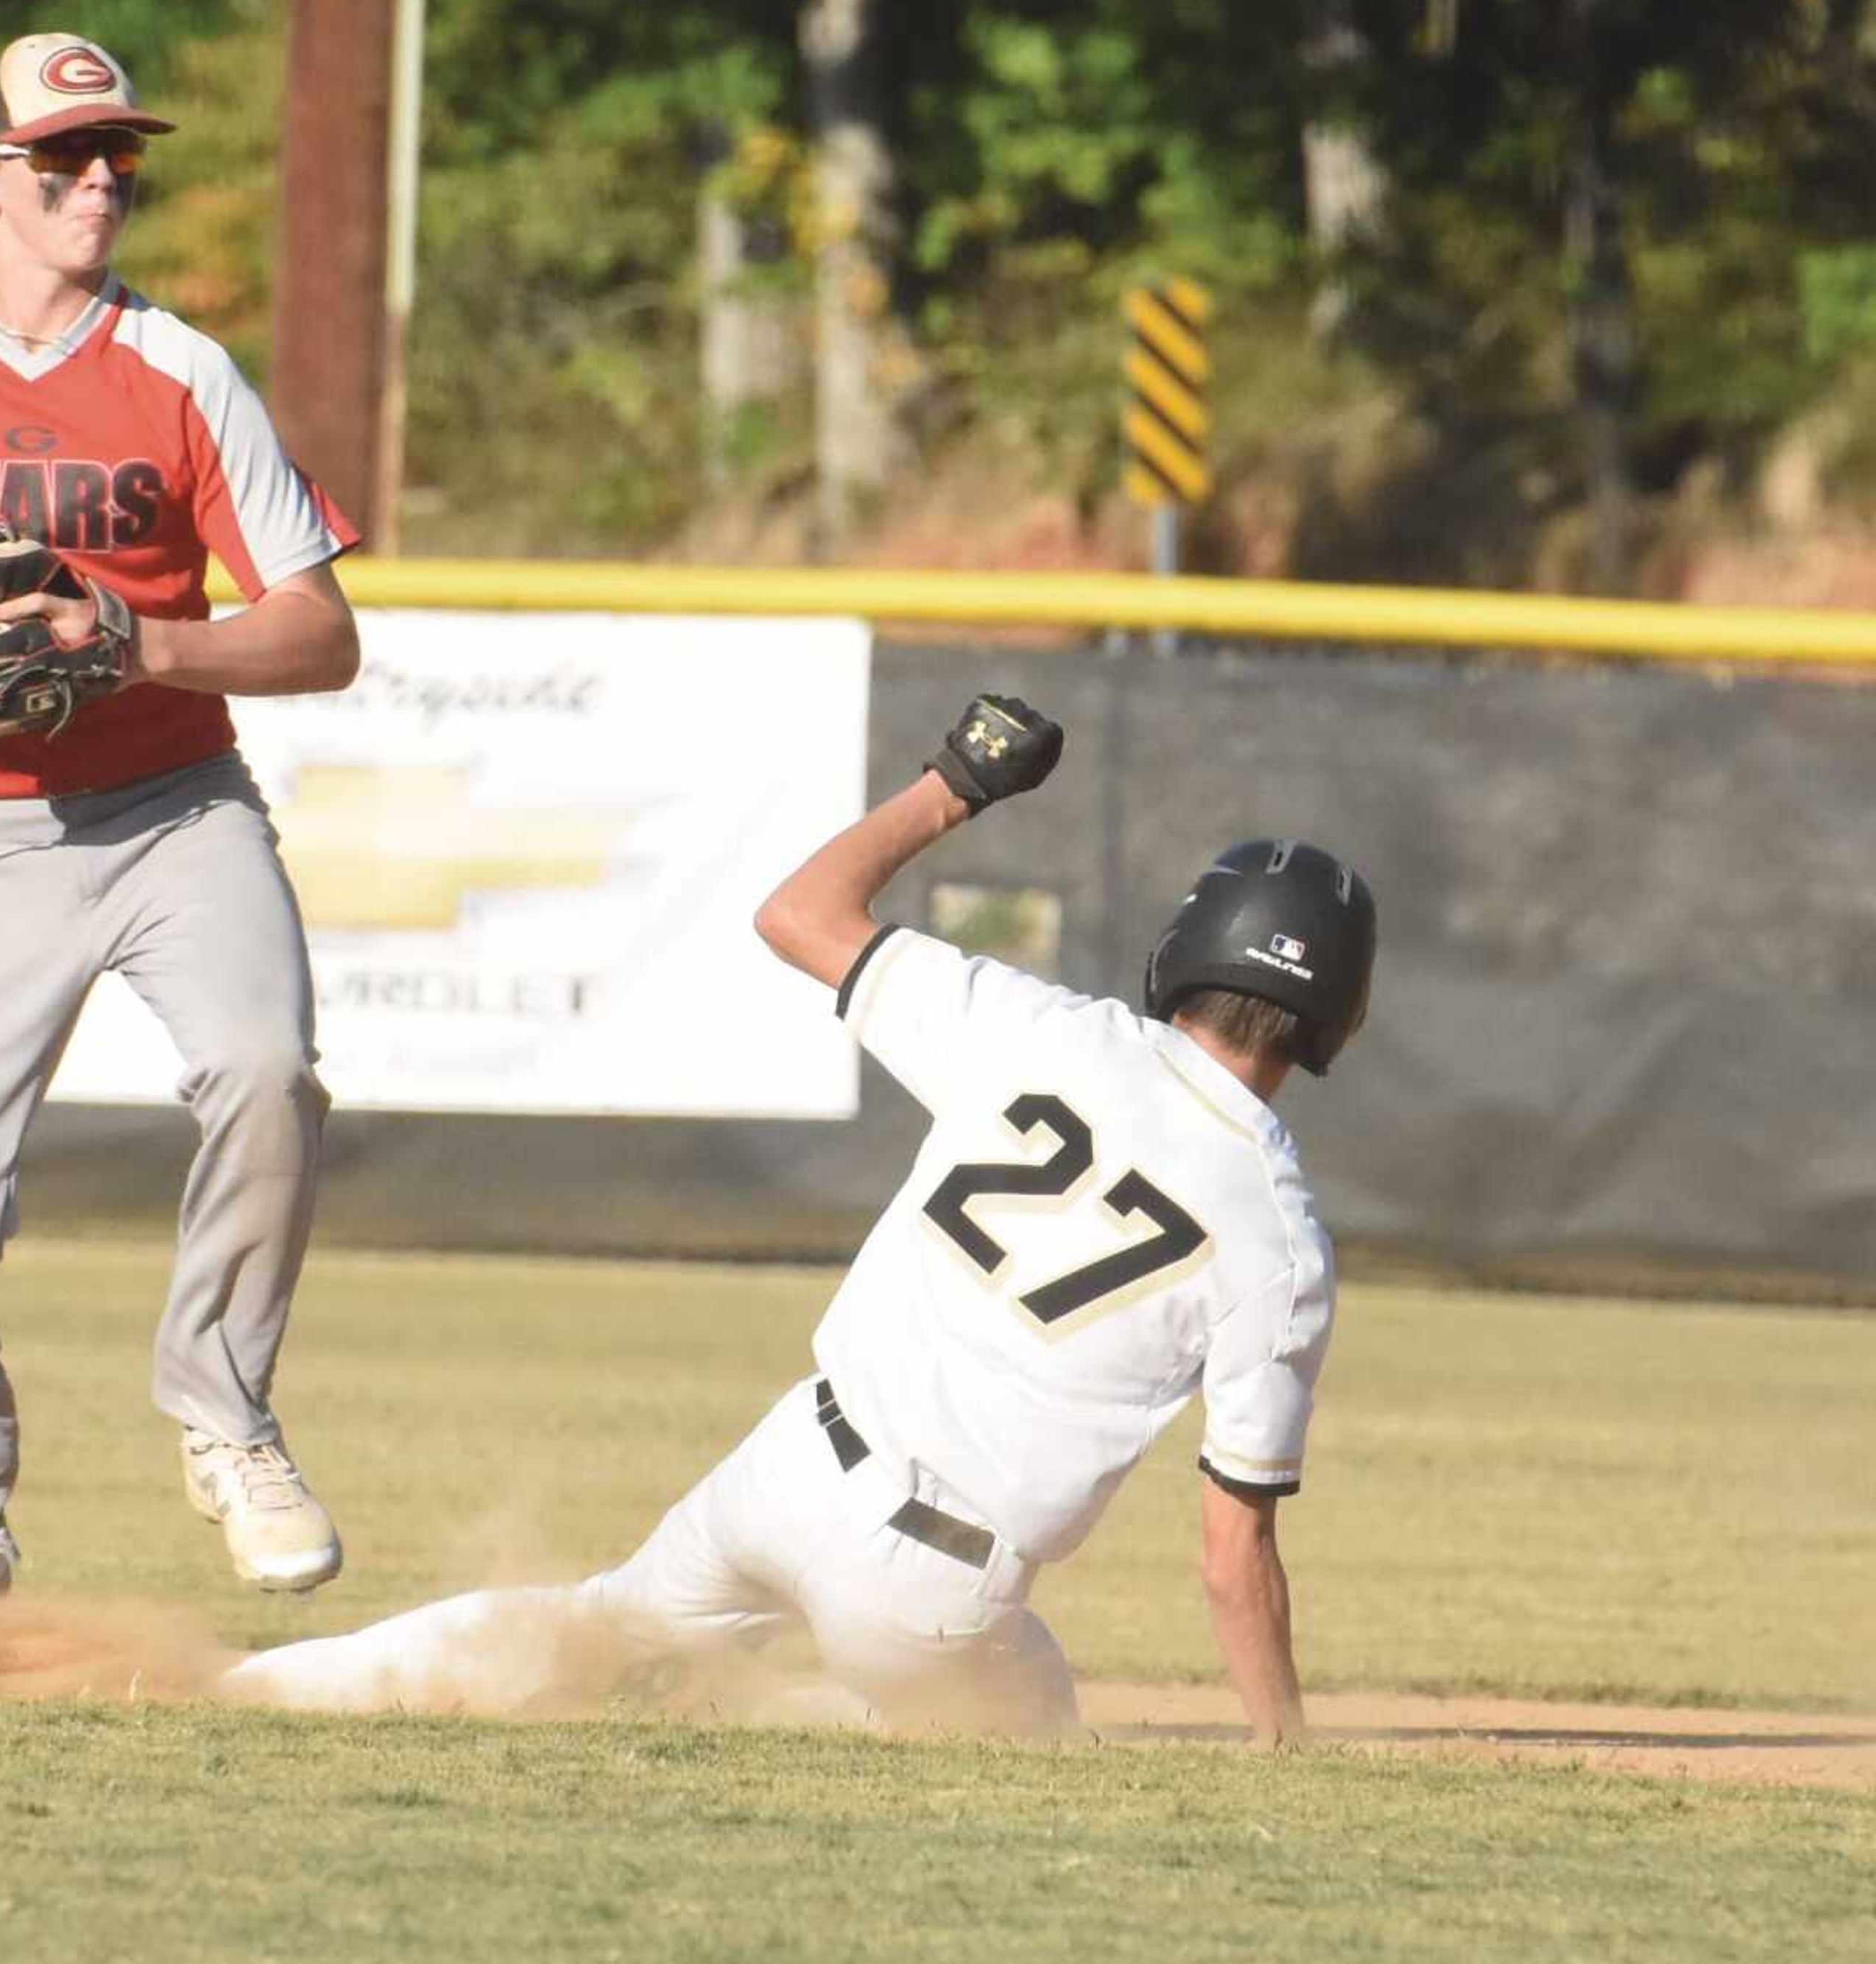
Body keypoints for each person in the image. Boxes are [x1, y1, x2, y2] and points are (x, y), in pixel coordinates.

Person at [223, 696, 1376, 1743]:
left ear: (1188, 947)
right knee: (1037, 1736)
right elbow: (1236, 1557)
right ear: (1334, 1019)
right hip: (932, 1588)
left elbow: (797, 913)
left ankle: (248, 1691)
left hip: (790, 1469)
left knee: (596, 1629)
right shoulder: (1277, 1236)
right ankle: (778, 1703)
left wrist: (955, 784)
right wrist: (1286, 1745)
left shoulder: (1046, 1032)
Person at [0, 33, 361, 1616]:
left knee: (263, 1068)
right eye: (62, 159)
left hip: (176, 810)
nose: (100, 180)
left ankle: (226, 1415)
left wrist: (137, 640)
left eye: (120, 159)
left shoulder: (181, 372)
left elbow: (321, 633)